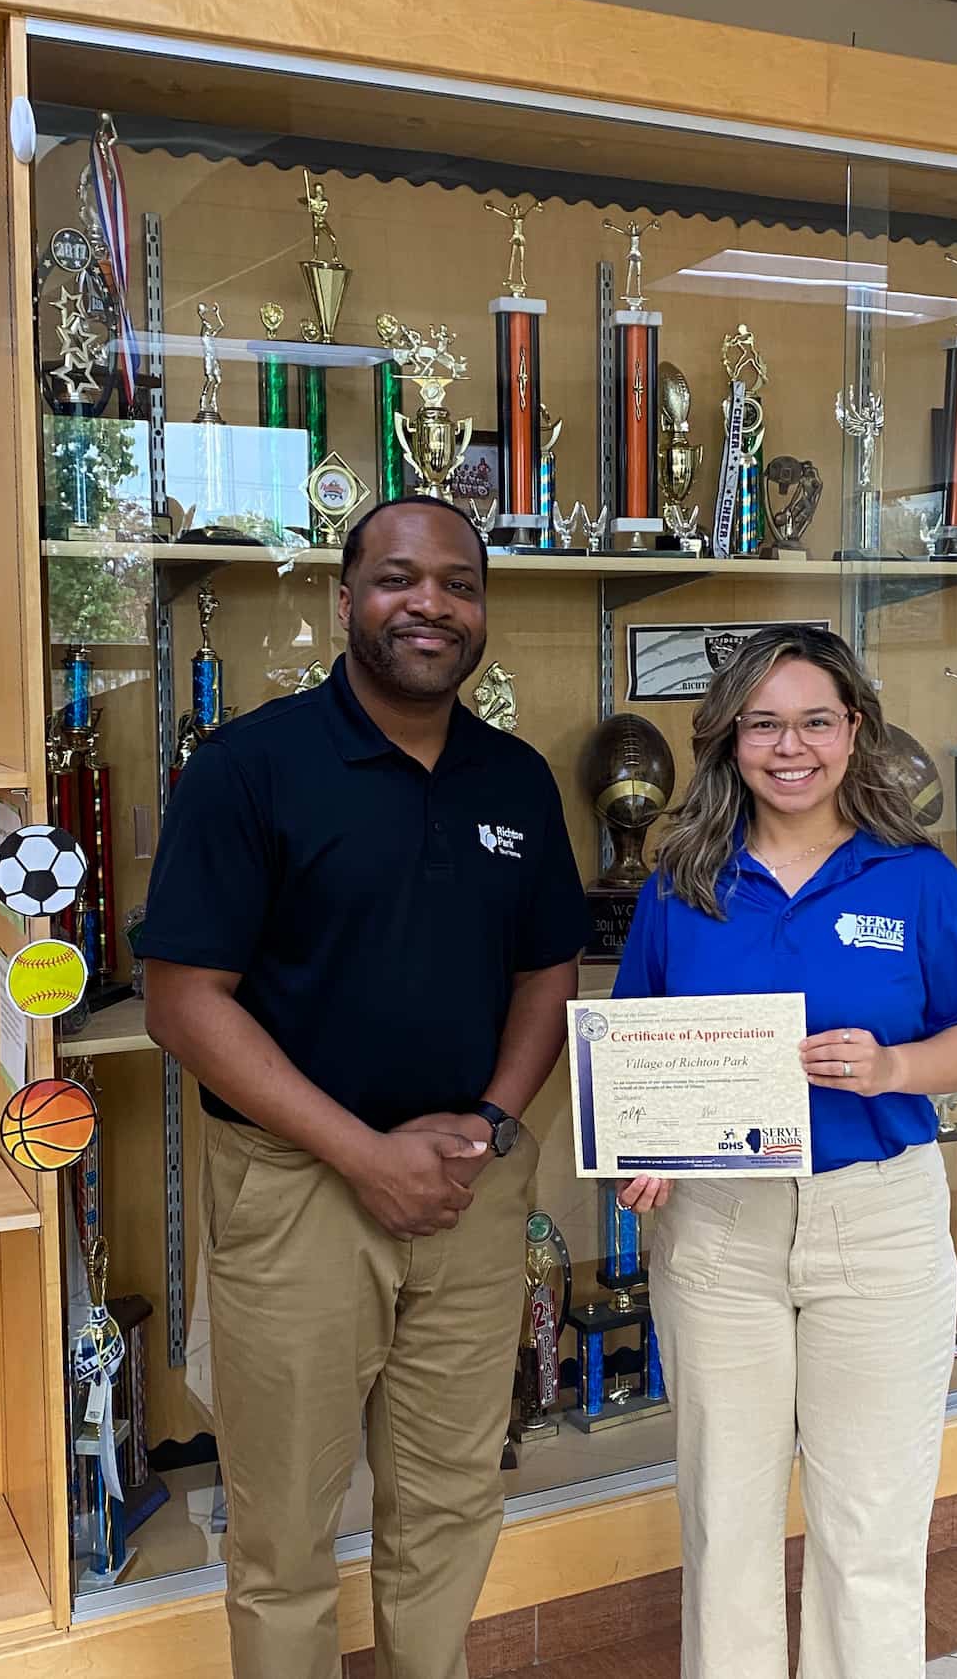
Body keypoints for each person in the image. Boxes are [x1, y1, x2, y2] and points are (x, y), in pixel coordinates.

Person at [140, 495, 589, 1679]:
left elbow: (550, 969)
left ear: (480, 611)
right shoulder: (251, 768)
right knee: (284, 1528)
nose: (428, 603)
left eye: (456, 582)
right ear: (344, 601)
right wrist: (362, 1153)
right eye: (396, 579)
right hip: (298, 1195)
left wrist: (493, 1122)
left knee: (448, 1504)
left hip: (469, 1193)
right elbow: (185, 1001)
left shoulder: (515, 781)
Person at [613, 624, 957, 1679]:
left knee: (870, 1533)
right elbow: (633, 1039)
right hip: (718, 1238)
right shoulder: (681, 882)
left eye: (813, 721)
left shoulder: (914, 880)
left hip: (875, 1225)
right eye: (762, 724)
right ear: (727, 739)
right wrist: (643, 1145)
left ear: (852, 732)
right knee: (724, 1529)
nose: (787, 747)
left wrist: (891, 1068)